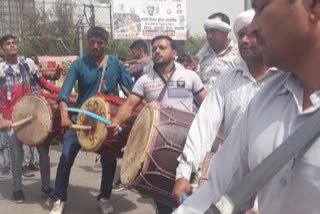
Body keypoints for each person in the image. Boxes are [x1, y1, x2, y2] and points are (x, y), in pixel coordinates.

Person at [173, 0, 320, 213]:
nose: (252, 28)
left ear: (314, 7)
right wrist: (184, 171)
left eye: (262, 8)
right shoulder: (266, 99)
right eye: (240, 34)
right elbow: (218, 186)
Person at [107, 35, 207, 214]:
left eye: (162, 47)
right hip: (157, 148)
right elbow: (129, 105)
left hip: (188, 145)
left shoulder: (190, 76)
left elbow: (207, 104)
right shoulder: (145, 80)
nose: (157, 51)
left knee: (190, 195)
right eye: (154, 49)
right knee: (162, 200)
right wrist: (116, 121)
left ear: (174, 52)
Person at [49, 26, 134, 214]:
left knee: (109, 160)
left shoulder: (115, 64)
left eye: (100, 43)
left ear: (106, 44)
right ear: (88, 42)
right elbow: (64, 94)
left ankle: (104, 197)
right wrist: (64, 115)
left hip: (105, 121)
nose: (95, 46)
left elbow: (132, 91)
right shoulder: (79, 64)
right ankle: (59, 198)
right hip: (79, 119)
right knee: (65, 158)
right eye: (92, 42)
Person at [0, 34, 59, 203]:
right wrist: (1, 119)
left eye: (14, 43)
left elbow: (43, 84)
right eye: (8, 44)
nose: (12, 45)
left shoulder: (28, 64)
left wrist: (62, 92)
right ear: (2, 49)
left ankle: (46, 187)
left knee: (44, 153)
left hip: (34, 116)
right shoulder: (0, 70)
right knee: (16, 157)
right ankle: (17, 189)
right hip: (12, 120)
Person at [197, 12, 241, 91]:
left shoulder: (239, 54)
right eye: (207, 32)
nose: (209, 36)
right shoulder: (202, 56)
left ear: (225, 31)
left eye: (213, 31)